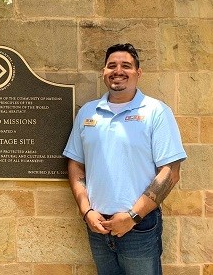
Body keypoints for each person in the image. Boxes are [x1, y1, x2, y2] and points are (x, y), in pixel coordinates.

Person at [63, 43, 187, 275]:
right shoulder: (88, 112)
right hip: (97, 225)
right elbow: (75, 163)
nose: (118, 70)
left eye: (126, 66)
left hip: (139, 226)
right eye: (112, 65)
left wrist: (132, 217)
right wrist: (86, 211)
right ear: (104, 72)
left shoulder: (155, 111)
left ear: (138, 73)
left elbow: (170, 171)